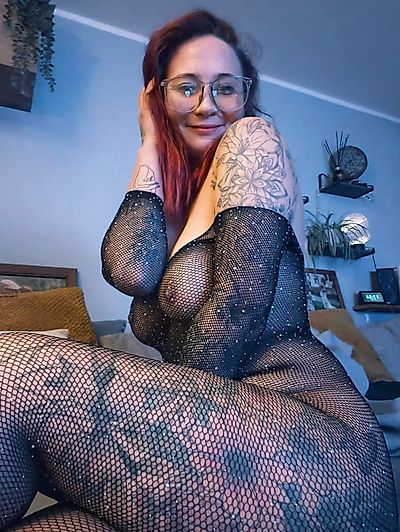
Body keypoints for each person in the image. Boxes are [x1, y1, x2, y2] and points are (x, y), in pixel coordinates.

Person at [0, 10, 397, 531]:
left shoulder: (254, 141)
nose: (208, 104)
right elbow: (129, 270)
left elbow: (236, 307)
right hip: (223, 445)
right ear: (159, 97)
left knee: (11, 370)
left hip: (314, 440)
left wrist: (154, 423)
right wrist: (148, 144)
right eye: (187, 87)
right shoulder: (175, 201)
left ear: (245, 96)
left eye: (225, 88)